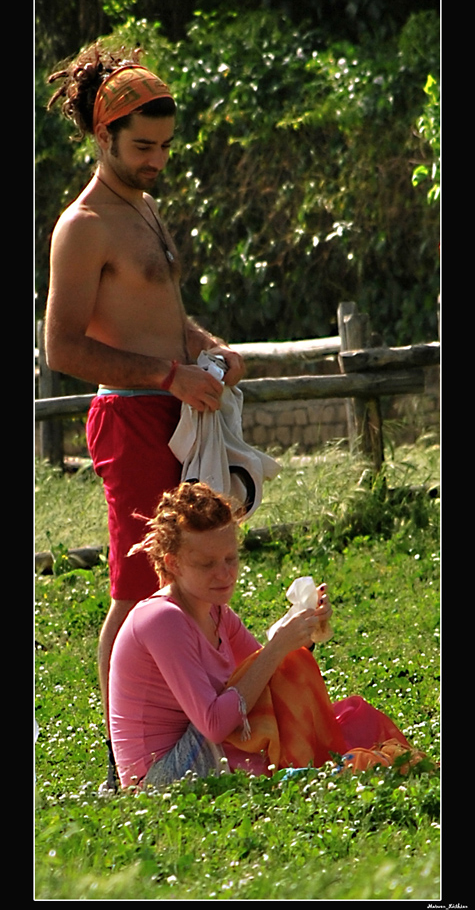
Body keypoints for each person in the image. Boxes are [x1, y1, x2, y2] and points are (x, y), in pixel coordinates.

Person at [44, 47, 245, 787]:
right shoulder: (83, 225)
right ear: (104, 136)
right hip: (130, 417)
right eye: (142, 147)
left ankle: (183, 726)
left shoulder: (144, 205)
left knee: (187, 573)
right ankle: (121, 761)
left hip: (176, 408)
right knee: (135, 588)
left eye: (164, 146)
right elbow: (62, 347)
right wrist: (167, 374)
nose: (157, 160)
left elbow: (159, 318)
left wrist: (205, 349)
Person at [109, 482, 418, 790]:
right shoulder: (163, 619)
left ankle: (322, 767)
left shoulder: (215, 611)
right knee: (316, 749)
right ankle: (320, 769)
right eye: (207, 564)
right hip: (160, 777)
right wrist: (278, 646)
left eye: (231, 559)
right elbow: (215, 724)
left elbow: (272, 681)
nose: (224, 574)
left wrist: (304, 630)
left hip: (202, 749)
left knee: (325, 706)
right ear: (173, 563)